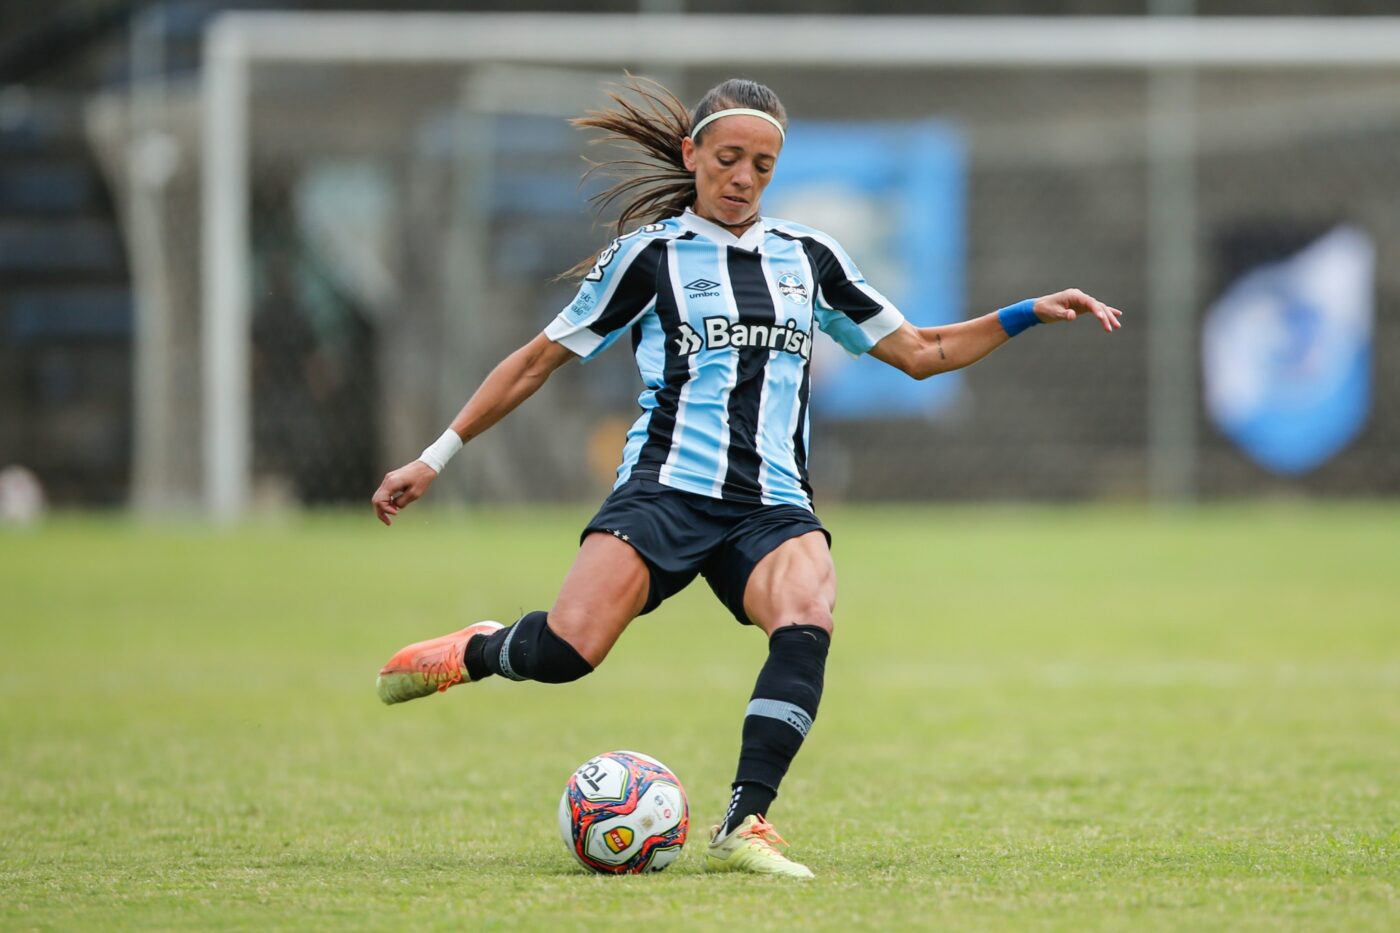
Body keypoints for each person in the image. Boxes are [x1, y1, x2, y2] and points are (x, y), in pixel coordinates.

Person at [371, 77, 1122, 880]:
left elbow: (924, 352)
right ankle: (480, 649)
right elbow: (535, 363)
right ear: (693, 155)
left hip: (770, 505)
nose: (743, 178)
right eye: (729, 158)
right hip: (663, 493)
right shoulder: (649, 256)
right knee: (568, 651)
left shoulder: (810, 257)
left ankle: (744, 818)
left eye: (762, 165)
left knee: (808, 611)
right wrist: (434, 455)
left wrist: (1024, 313)